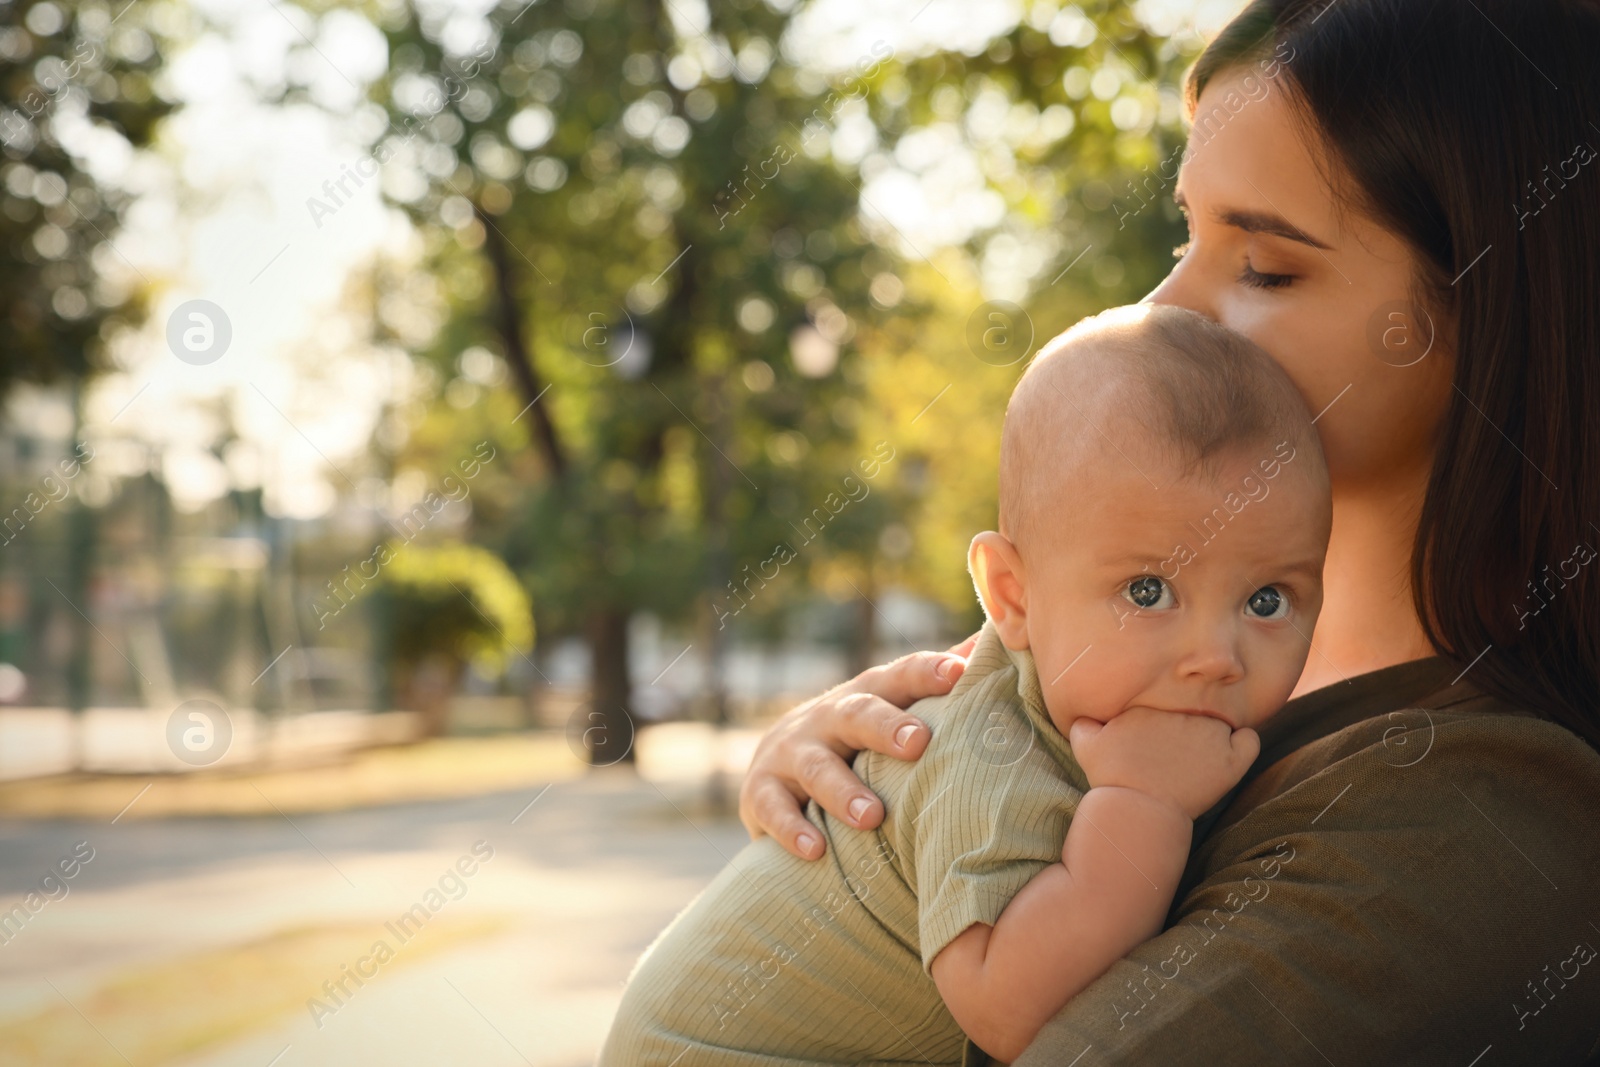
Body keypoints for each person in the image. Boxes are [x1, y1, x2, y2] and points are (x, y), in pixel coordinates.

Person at [736, 1, 1600, 1063]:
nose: (1165, 308)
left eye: (1267, 267)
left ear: (1502, 306)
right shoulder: (1131, 640)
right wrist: (850, 802)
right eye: (1183, 236)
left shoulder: (1484, 818)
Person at [602, 306, 1330, 1065]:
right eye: (1147, 591)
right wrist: (1144, 808)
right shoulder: (991, 749)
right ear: (1012, 597)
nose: (1216, 655)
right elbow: (1007, 1009)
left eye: (1268, 600)